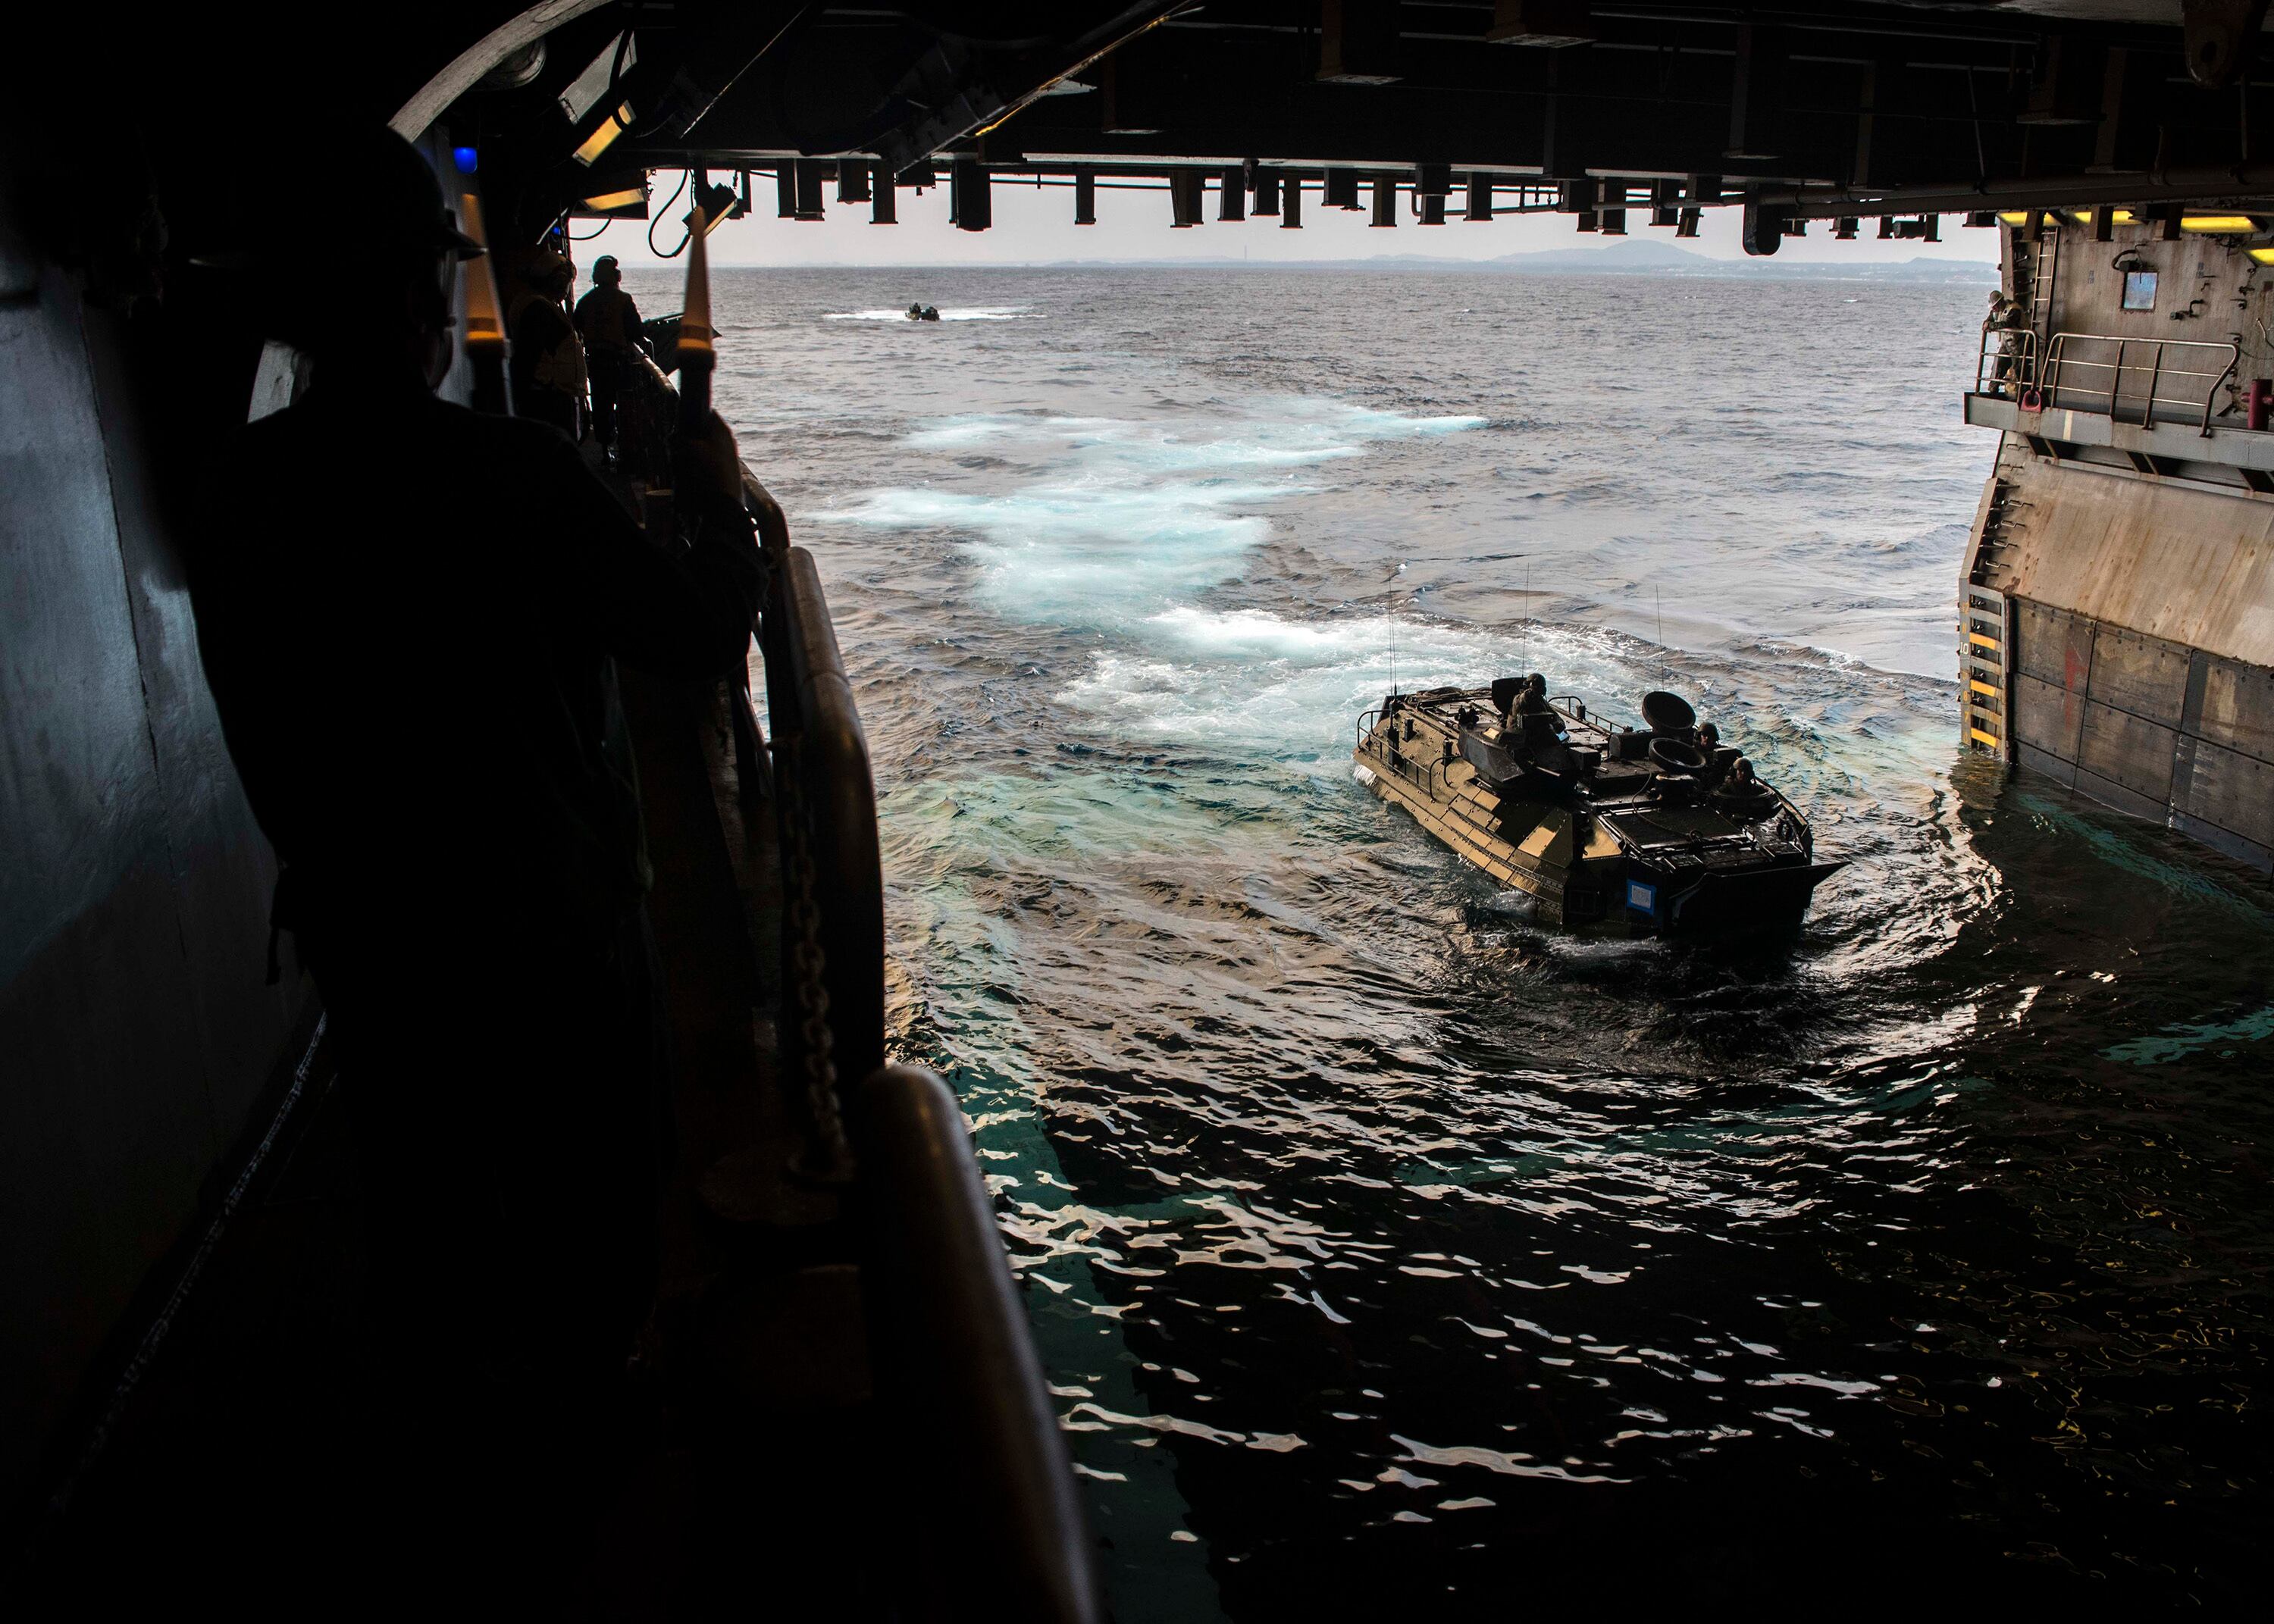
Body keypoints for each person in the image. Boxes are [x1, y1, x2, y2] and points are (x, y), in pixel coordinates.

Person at [193, 124, 762, 1594]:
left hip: (381, 943)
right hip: (555, 942)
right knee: (588, 1255)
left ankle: (453, 1509)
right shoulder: (518, 477)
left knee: (428, 1234)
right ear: (415, 301)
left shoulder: (242, 498)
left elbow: (262, 735)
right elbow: (694, 640)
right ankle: (580, 1503)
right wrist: (718, 502)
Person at [509, 244, 585, 437]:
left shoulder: (533, 302)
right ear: (558, 281)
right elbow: (529, 354)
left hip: (549, 394)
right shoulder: (539, 308)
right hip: (550, 398)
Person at [575, 254, 644, 457]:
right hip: (619, 360)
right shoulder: (623, 300)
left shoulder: (585, 301)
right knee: (624, 403)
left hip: (596, 360)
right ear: (616, 276)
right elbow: (636, 331)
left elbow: (576, 325)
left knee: (601, 404)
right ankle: (626, 448)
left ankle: (605, 449)